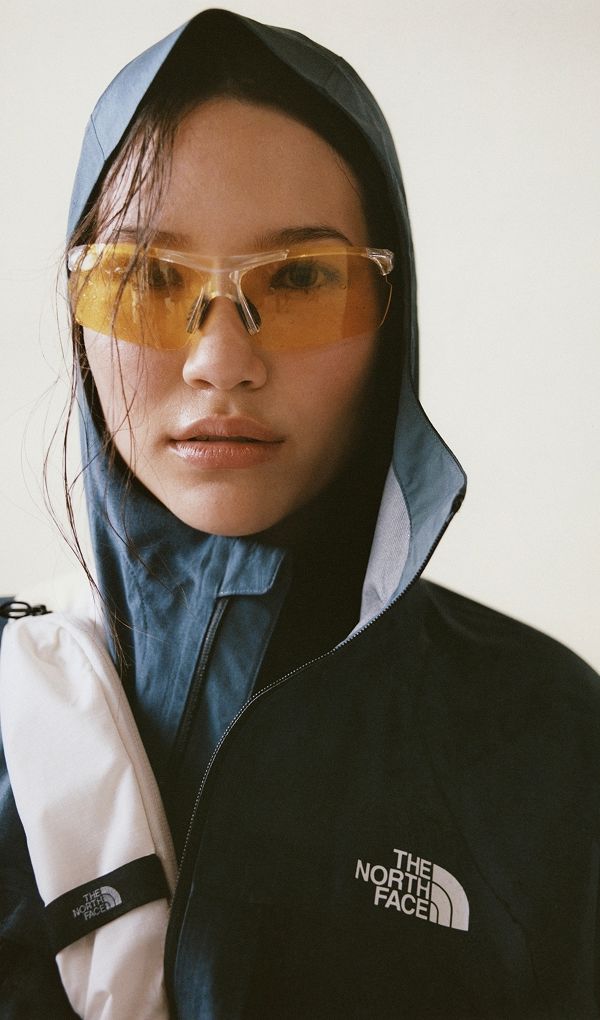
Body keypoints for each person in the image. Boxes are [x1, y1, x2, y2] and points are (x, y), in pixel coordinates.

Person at [0, 8, 598, 1018]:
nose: (220, 361)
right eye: (146, 278)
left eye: (305, 278)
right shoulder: (16, 704)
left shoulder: (548, 742)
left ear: (393, 320)